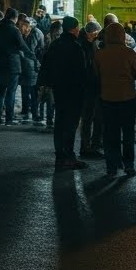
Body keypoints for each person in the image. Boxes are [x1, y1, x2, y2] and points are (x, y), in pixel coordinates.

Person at [39, 16, 90, 170]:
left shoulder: (55, 44)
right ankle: (68, 157)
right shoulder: (75, 47)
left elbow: (46, 65)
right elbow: (82, 72)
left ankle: (60, 157)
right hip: (73, 91)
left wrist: (47, 84)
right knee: (71, 124)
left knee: (60, 123)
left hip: (59, 90)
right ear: (74, 28)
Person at [94, 21, 136, 176]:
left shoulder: (100, 54)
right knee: (128, 132)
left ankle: (112, 166)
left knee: (110, 133)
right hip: (127, 97)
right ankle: (129, 165)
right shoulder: (129, 53)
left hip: (107, 97)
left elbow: (96, 74)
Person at [0, 8, 24, 125]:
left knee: (0, 91)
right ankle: (9, 119)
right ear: (14, 18)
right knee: (11, 92)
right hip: (13, 65)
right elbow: (22, 46)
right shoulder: (14, 30)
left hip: (1, 63)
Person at [78, 21, 104, 158]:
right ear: (92, 33)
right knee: (89, 118)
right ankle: (86, 147)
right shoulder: (86, 46)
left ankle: (87, 146)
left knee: (89, 119)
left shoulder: (84, 44)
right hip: (90, 87)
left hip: (89, 87)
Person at [17, 15, 42, 124]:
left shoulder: (34, 34)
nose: (20, 27)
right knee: (26, 89)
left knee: (32, 90)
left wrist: (22, 54)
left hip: (31, 65)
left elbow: (31, 51)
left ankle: (34, 112)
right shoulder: (26, 34)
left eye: (21, 25)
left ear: (27, 26)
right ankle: (26, 110)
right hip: (27, 65)